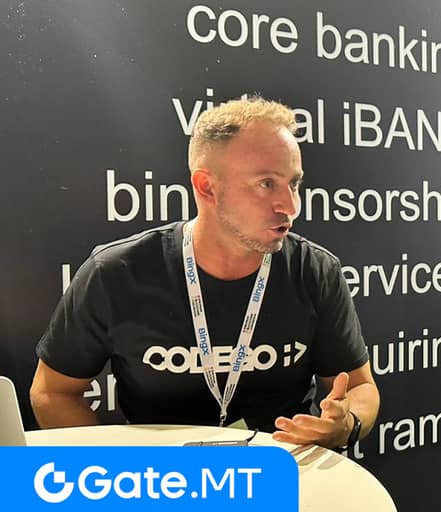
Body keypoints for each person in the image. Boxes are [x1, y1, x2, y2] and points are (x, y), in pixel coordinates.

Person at [30, 97, 380, 449]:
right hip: (164, 478)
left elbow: (360, 386)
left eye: (294, 184)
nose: (290, 206)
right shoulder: (116, 273)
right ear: (207, 186)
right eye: (266, 184)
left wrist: (347, 424)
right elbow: (52, 392)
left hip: (282, 472)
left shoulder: (315, 271)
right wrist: (120, 470)